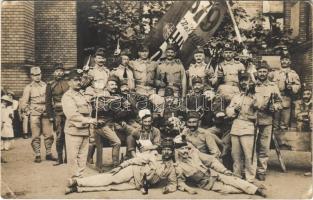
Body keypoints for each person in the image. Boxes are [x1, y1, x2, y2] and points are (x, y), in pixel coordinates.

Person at [65, 138, 178, 195]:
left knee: (110, 187)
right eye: (165, 149)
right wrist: (121, 166)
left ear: (172, 153)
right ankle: (77, 181)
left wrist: (168, 189)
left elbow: (173, 184)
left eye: (169, 150)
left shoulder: (171, 168)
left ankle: (77, 189)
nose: (166, 152)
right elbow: (135, 160)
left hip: (138, 183)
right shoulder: (153, 156)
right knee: (110, 178)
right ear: (161, 150)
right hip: (133, 170)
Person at [174, 135, 266, 197]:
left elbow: (212, 161)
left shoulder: (194, 153)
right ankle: (252, 188)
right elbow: (180, 182)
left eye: (186, 148)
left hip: (214, 174)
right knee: (229, 190)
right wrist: (189, 189)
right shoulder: (178, 166)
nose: (185, 151)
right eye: (182, 149)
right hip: (207, 183)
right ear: (176, 151)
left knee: (233, 179)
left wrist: (224, 170)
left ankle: (257, 190)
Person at [62, 69, 98, 181]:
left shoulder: (82, 94)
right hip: (74, 131)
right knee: (73, 158)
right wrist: (89, 120)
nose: (78, 82)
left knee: (82, 157)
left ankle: (80, 179)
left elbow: (88, 109)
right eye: (75, 80)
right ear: (69, 82)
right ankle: (73, 179)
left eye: (79, 79)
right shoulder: (67, 96)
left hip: (85, 131)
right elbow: (72, 115)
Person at [226, 70, 257, 183]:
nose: (244, 83)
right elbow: (228, 111)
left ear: (251, 82)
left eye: (246, 80)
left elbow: (261, 107)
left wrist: (253, 95)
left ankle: (250, 178)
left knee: (249, 155)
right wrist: (234, 110)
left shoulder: (255, 96)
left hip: (248, 127)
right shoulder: (236, 97)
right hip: (236, 127)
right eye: (242, 80)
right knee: (236, 155)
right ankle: (237, 176)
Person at [20, 66, 56, 163]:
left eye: (39, 74)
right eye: (35, 75)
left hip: (45, 112)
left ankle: (48, 153)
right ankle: (37, 154)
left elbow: (51, 99)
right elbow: (24, 103)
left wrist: (50, 109)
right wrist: (29, 111)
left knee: (48, 134)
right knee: (35, 136)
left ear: (41, 74)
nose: (37, 77)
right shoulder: (28, 88)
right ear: (31, 76)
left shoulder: (46, 86)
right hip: (35, 114)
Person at [254, 60, 282, 181]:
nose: (262, 73)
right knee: (251, 146)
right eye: (260, 71)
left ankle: (261, 170)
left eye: (264, 71)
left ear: (268, 73)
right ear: (257, 73)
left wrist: (274, 107)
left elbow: (279, 102)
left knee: (264, 147)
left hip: (266, 120)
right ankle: (251, 169)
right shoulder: (252, 85)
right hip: (253, 120)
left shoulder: (273, 86)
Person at [85, 76, 122, 167]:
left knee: (128, 134)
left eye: (116, 84)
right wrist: (114, 103)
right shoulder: (103, 94)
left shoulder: (116, 95)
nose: (114, 86)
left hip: (112, 123)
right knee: (117, 142)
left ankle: (88, 158)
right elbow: (100, 109)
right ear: (106, 85)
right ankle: (115, 164)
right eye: (112, 84)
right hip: (102, 124)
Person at [46, 63, 70, 166]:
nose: (59, 73)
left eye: (61, 71)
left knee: (69, 135)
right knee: (59, 136)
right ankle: (59, 158)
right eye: (57, 71)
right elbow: (47, 101)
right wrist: (50, 116)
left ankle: (68, 158)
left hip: (69, 112)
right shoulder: (50, 85)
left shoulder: (68, 83)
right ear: (54, 72)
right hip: (58, 113)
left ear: (63, 72)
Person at [269, 52, 300, 130]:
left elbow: (298, 85)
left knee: (284, 123)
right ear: (280, 61)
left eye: (286, 59)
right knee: (275, 122)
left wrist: (292, 87)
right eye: (283, 59)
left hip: (286, 98)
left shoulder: (293, 74)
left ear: (290, 62)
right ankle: (273, 141)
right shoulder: (274, 73)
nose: (284, 61)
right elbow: (268, 83)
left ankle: (283, 140)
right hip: (276, 99)